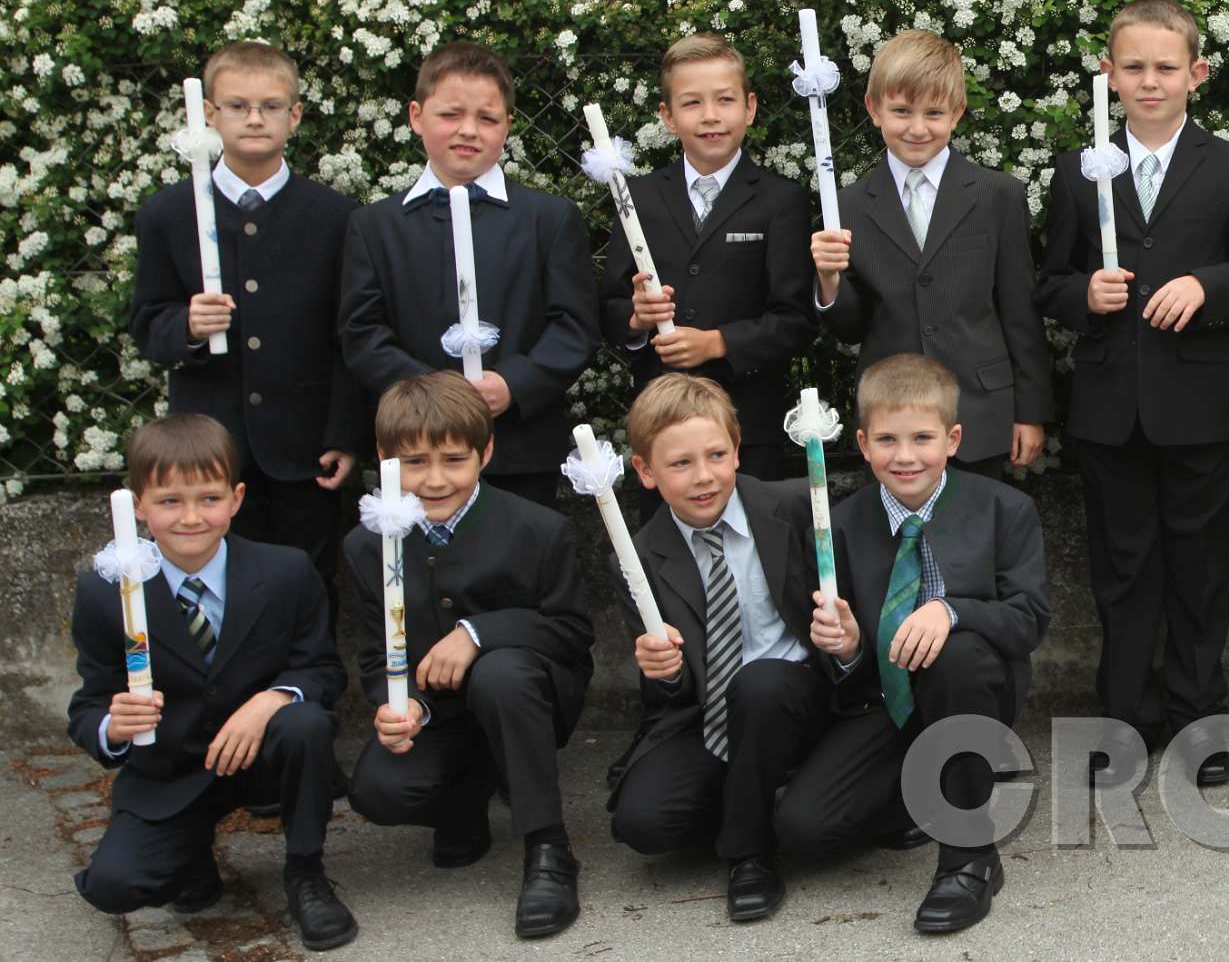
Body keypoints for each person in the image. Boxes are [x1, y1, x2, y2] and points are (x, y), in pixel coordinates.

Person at [1035, 0, 1229, 784]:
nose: (1149, 81)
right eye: (1132, 67)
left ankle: (1200, 719)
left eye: (1165, 67)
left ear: (1195, 74)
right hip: (1110, 411)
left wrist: (1207, 287)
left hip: (1198, 410)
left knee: (1200, 568)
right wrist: (1084, 298)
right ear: (1107, 73)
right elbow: (1051, 281)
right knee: (1123, 570)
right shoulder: (1078, 172)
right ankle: (1125, 719)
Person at [607, 374, 902, 924]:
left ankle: (749, 855)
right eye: (679, 464)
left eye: (716, 455)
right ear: (645, 472)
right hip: (712, 716)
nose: (703, 476)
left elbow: (854, 634)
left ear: (737, 451)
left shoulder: (797, 509)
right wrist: (662, 671)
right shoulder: (641, 556)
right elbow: (672, 691)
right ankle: (769, 794)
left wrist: (849, 642)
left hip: (800, 697)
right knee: (643, 824)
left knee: (761, 684)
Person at [68, 414, 354, 950]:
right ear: (138, 507)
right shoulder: (105, 592)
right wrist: (114, 725)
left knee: (305, 723)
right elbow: (86, 705)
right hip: (169, 771)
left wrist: (268, 701)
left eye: (208, 498)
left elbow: (321, 669)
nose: (191, 517)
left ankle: (306, 872)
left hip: (263, 756)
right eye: (170, 501)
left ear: (237, 497)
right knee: (113, 885)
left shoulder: (287, 571)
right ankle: (190, 854)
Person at [341, 372, 594, 939]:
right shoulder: (366, 544)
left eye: (454, 459)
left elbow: (571, 632)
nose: (434, 480)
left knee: (501, 675)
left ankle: (548, 847)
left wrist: (478, 632)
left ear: (486, 451)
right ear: (384, 460)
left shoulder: (539, 529)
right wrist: (395, 706)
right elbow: (375, 655)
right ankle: (464, 796)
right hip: (440, 713)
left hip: (529, 695)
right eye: (414, 462)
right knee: (378, 790)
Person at [129, 40, 365, 611]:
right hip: (210, 445)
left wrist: (343, 433)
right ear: (209, 113)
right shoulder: (168, 212)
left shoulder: (334, 216)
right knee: (214, 585)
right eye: (237, 106)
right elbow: (146, 323)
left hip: (302, 445)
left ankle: (305, 694)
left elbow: (349, 335)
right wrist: (185, 323)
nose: (255, 118)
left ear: (295, 115)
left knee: (306, 580)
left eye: (270, 105)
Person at [826, 354, 1051, 934]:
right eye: (888, 440)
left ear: (952, 439)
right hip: (882, 703)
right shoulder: (840, 526)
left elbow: (1028, 620)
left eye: (922, 438)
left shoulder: (1005, 509)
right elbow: (835, 658)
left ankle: (969, 857)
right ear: (863, 443)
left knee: (956, 654)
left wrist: (951, 610)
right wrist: (848, 646)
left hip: (972, 693)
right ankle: (913, 794)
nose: (905, 456)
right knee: (807, 828)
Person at [339, 41, 599, 507]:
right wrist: (431, 398)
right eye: (450, 115)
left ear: (508, 126)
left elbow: (575, 326)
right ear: (416, 116)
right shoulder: (375, 226)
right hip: (415, 450)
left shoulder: (549, 219)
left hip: (521, 449)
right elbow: (362, 332)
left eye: (487, 118)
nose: (468, 131)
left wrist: (513, 384)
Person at [811, 29, 1051, 476]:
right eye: (901, 111)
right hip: (892, 419)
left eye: (934, 113)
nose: (917, 128)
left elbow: (1020, 311)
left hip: (979, 412)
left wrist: (1029, 410)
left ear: (957, 113)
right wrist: (829, 281)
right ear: (874, 109)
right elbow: (850, 327)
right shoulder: (846, 205)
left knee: (977, 537)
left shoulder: (998, 195)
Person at [602, 34, 815, 495]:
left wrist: (718, 343)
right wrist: (636, 321)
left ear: (750, 108)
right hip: (663, 427)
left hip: (747, 426)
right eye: (692, 103)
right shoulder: (636, 198)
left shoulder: (783, 201)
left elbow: (796, 320)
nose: (711, 116)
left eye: (725, 100)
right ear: (668, 116)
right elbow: (609, 305)